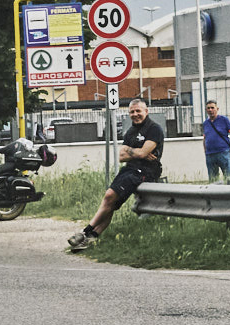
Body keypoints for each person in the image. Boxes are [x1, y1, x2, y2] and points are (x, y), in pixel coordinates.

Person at [68, 98, 165, 250]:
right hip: (129, 169)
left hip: (146, 172)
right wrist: (138, 153)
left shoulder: (154, 129)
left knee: (109, 197)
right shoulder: (131, 131)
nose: (135, 114)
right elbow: (121, 156)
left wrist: (134, 152)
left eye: (138, 111)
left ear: (146, 111)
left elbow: (142, 153)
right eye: (132, 112)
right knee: (110, 202)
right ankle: (92, 237)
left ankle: (84, 232)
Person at [201, 98, 230, 183]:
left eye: (212, 107)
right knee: (213, 180)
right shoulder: (205, 123)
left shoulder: (224, 120)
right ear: (206, 110)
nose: (210, 110)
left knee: (228, 177)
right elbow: (205, 137)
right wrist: (205, 151)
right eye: (208, 108)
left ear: (217, 109)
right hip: (210, 155)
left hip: (223, 153)